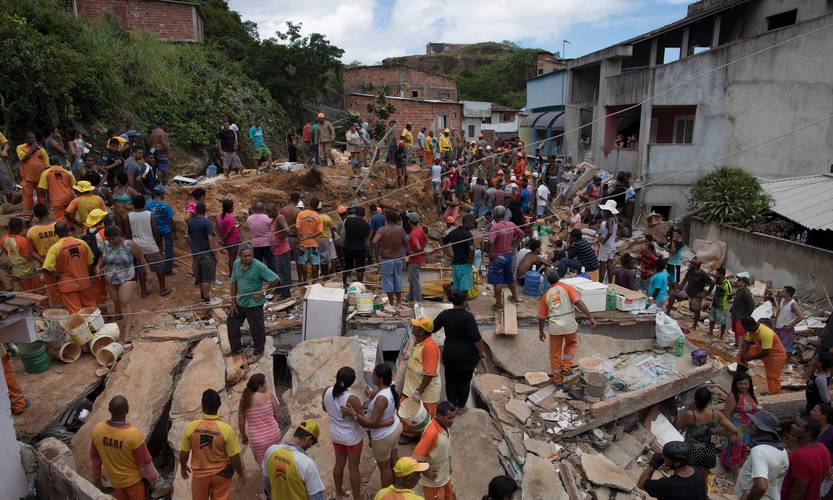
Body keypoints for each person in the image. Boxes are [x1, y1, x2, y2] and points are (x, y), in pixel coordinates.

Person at [90, 396, 161, 500]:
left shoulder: (98, 430)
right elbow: (145, 464)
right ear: (127, 410)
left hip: (116, 482)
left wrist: (97, 476)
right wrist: (155, 480)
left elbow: (94, 457)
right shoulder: (133, 435)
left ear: (109, 410)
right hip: (134, 483)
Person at [343, 364, 402, 488]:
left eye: (374, 375)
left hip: (384, 436)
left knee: (385, 468)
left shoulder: (381, 399)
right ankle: (398, 484)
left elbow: (371, 423)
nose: (372, 376)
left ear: (380, 379)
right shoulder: (391, 388)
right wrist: (371, 395)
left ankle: (387, 495)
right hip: (395, 428)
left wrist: (354, 415)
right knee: (394, 457)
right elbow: (382, 397)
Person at [179, 390, 245, 500]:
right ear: (219, 405)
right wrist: (241, 473)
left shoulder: (191, 427)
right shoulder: (226, 430)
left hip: (199, 476)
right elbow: (234, 457)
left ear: (202, 405)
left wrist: (183, 467)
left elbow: (183, 453)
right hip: (221, 475)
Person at [538, 268, 597, 385]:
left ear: (548, 281)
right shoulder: (568, 288)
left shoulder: (546, 295)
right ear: (559, 277)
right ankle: (566, 366)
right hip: (569, 325)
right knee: (571, 344)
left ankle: (558, 380)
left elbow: (541, 317)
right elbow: (579, 302)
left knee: (555, 354)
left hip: (555, 327)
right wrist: (590, 317)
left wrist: (541, 331)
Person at [433, 290, 486, 409]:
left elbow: (432, 328)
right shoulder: (468, 317)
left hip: (450, 354)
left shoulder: (445, 314)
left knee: (450, 381)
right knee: (464, 382)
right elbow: (476, 339)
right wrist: (481, 352)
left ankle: (452, 407)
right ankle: (461, 407)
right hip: (467, 356)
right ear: (465, 301)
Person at [229, 244, 279, 365]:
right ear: (240, 256)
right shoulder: (236, 264)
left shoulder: (259, 266)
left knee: (257, 328)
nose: (247, 258)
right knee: (231, 322)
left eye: (249, 255)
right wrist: (233, 302)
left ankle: (258, 352)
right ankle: (236, 349)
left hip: (254, 303)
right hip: (240, 301)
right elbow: (233, 283)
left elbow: (275, 279)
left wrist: (263, 292)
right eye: (244, 256)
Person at [675, 387, 739, 476]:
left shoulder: (690, 414)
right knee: (703, 478)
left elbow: (677, 427)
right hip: (708, 451)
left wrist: (690, 408)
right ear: (709, 400)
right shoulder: (716, 414)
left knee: (688, 477)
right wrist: (718, 432)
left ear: (695, 400)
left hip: (692, 451)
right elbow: (734, 430)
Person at [98, 226, 146, 344]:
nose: (111, 241)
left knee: (124, 301)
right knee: (116, 300)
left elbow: (140, 257)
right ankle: (124, 315)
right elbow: (102, 258)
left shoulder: (129, 244)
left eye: (113, 238)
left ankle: (127, 332)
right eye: (109, 239)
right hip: (111, 278)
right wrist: (98, 267)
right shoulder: (105, 245)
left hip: (127, 276)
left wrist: (148, 272)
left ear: (119, 235)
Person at [322, 367, 364, 500]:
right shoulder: (352, 399)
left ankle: (338, 493)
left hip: (337, 436)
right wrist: (354, 415)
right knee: (353, 469)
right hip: (352, 439)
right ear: (351, 383)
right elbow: (363, 420)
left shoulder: (327, 391)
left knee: (339, 464)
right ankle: (357, 497)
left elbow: (324, 407)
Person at [400, 316, 442, 441]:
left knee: (426, 416)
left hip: (425, 390)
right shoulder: (416, 340)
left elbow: (429, 374)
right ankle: (410, 435)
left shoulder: (429, 347)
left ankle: (427, 439)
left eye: (416, 326)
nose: (413, 327)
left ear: (422, 331)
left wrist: (419, 391)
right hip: (411, 386)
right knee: (406, 411)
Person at [262, 420, 324, 500]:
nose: (310, 446)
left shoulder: (271, 451)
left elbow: (266, 482)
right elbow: (317, 497)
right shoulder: (307, 464)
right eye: (312, 443)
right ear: (308, 439)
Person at [734, 409, 788, 500]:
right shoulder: (782, 451)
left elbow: (761, 486)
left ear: (756, 427)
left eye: (751, 422)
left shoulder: (759, 451)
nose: (747, 424)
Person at [42, 222, 96, 313]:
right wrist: (91, 276)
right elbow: (90, 263)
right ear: (69, 230)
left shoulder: (55, 248)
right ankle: (95, 326)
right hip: (85, 282)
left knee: (75, 312)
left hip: (68, 285)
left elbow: (46, 268)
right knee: (91, 310)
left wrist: (55, 276)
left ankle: (81, 327)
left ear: (56, 233)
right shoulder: (82, 243)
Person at [127, 195, 171, 297]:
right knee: (159, 266)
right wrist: (159, 245)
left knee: (141, 268)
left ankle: (144, 291)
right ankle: (162, 289)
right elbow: (155, 231)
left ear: (133, 204)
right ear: (145, 203)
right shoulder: (150, 215)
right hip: (150, 244)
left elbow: (128, 233)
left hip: (136, 245)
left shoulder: (128, 216)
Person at [413, 401, 456, 500]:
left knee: (449, 496)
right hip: (434, 481)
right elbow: (417, 456)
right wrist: (426, 472)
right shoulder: (431, 433)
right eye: (450, 418)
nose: (453, 421)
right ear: (440, 416)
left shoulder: (444, 426)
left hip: (444, 474)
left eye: (453, 417)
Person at [637, 441, 706, 500]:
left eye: (666, 458)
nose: (663, 458)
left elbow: (641, 484)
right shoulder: (697, 473)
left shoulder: (671, 485)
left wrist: (653, 464)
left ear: (677, 463)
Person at [238, 373, 281, 469]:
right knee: (277, 461)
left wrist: (244, 437)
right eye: (265, 382)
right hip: (274, 435)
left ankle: (268, 481)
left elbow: (241, 423)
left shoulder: (245, 400)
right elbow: (277, 414)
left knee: (264, 467)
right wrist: (275, 425)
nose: (267, 384)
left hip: (258, 441)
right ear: (260, 386)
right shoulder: (269, 396)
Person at [781, 418, 831, 500]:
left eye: (797, 426)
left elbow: (799, 489)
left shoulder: (800, 455)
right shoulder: (822, 448)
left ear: (808, 433)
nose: (792, 426)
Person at [487, 206, 524, 310]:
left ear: (494, 215)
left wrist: (491, 254)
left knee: (496, 280)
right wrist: (514, 244)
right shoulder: (511, 224)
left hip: (498, 256)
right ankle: (515, 297)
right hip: (508, 255)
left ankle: (498, 304)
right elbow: (521, 234)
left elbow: (490, 242)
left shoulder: (495, 227)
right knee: (509, 278)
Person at [740, 317, 788, 395]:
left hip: (776, 355)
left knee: (772, 376)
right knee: (741, 354)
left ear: (751, 326)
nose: (746, 331)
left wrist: (750, 358)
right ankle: (741, 375)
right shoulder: (750, 330)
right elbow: (747, 342)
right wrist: (743, 353)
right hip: (762, 348)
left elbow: (765, 352)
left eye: (747, 329)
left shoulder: (766, 332)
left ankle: (774, 394)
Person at [721, 372, 759, 471]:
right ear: (735, 384)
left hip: (748, 428)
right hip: (736, 427)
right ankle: (731, 469)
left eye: (746, 384)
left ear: (749, 384)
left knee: (743, 449)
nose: (743, 386)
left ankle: (738, 468)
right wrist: (732, 432)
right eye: (740, 384)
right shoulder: (733, 396)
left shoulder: (751, 394)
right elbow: (727, 414)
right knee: (734, 449)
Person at [27, 204, 61, 305]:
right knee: (67, 284)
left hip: (45, 262)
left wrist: (46, 263)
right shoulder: (58, 225)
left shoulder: (31, 231)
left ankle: (59, 311)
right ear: (48, 212)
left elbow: (31, 252)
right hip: (62, 259)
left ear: (36, 215)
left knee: (53, 288)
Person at [188, 202, 220, 303]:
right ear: (205, 211)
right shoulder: (207, 223)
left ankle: (202, 297)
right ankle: (206, 299)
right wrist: (215, 253)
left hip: (196, 253)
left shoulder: (191, 222)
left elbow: (188, 237)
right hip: (206, 254)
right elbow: (210, 239)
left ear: (196, 211)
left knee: (200, 277)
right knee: (207, 278)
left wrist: (193, 246)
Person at [373, 210, 406, 309]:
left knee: (388, 280)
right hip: (399, 257)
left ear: (386, 219)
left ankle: (391, 302)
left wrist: (378, 250)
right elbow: (405, 242)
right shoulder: (401, 230)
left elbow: (374, 241)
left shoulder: (382, 230)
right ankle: (399, 302)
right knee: (398, 278)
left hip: (387, 258)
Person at [666, 258, 712, 328]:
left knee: (695, 310)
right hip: (687, 291)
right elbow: (685, 279)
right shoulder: (690, 270)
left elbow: (712, 283)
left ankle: (694, 325)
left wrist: (707, 293)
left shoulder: (703, 274)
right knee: (673, 294)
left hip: (696, 294)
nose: (690, 265)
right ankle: (667, 312)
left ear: (696, 265)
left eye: (692, 264)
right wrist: (679, 288)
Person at [17, 132, 50, 219]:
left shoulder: (41, 150)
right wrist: (32, 149)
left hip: (40, 179)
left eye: (34, 138)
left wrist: (46, 179)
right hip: (27, 178)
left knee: (41, 198)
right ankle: (28, 217)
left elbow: (47, 165)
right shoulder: (20, 148)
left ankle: (43, 216)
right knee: (28, 199)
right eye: (31, 138)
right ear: (26, 139)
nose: (33, 140)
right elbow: (23, 159)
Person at [1, 218, 40, 292]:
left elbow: (7, 253)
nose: (23, 228)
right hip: (28, 271)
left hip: (16, 270)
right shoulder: (22, 241)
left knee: (24, 292)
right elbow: (29, 257)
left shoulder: (3, 239)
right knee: (37, 292)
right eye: (22, 226)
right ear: (18, 227)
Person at [145, 185, 175, 276]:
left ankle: (158, 267)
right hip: (166, 230)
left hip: (154, 230)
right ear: (162, 194)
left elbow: (147, 218)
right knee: (169, 249)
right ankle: (168, 270)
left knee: (157, 249)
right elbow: (170, 219)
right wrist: (173, 230)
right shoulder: (166, 206)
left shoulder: (148, 205)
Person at [36, 157, 76, 223]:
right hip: (69, 198)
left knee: (59, 218)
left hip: (56, 200)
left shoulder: (46, 173)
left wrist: (44, 198)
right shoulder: (67, 172)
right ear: (59, 163)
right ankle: (71, 228)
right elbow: (74, 186)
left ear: (49, 163)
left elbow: (42, 188)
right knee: (70, 215)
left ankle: (64, 230)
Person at [443, 214, 475, 293]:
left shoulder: (453, 232)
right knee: (464, 288)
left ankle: (458, 303)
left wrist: (448, 254)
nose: (473, 225)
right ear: (468, 222)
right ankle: (464, 303)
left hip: (455, 264)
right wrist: (471, 260)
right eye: (473, 223)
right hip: (465, 264)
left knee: (457, 287)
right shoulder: (468, 234)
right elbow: (472, 249)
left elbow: (442, 241)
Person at [342, 206, 371, 287]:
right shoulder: (366, 225)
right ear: (364, 214)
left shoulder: (348, 221)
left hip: (348, 247)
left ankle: (344, 283)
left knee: (347, 266)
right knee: (360, 268)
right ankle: (359, 285)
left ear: (355, 213)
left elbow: (345, 232)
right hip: (360, 248)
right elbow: (367, 238)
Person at [296, 198, 323, 282]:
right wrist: (309, 236)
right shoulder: (318, 216)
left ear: (309, 204)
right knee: (315, 263)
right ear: (317, 206)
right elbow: (320, 232)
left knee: (303, 263)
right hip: (314, 243)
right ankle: (314, 281)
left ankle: (305, 281)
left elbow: (298, 229)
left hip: (303, 243)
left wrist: (301, 240)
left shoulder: (301, 214)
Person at [270, 206, 293, 299]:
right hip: (278, 250)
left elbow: (287, 230)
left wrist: (279, 240)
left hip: (282, 250)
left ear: (275, 210)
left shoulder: (280, 218)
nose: (268, 214)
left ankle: (286, 293)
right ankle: (281, 289)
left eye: (269, 212)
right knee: (280, 272)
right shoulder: (274, 219)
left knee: (284, 273)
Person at [774, 285, 803, 354]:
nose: (781, 292)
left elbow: (801, 317)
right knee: (777, 345)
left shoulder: (793, 304)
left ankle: (786, 362)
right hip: (778, 327)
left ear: (788, 293)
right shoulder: (782, 300)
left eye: (783, 291)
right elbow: (779, 311)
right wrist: (774, 322)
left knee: (787, 348)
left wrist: (790, 325)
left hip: (786, 329)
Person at [247, 202, 275, 272]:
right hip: (267, 243)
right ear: (263, 209)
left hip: (255, 244)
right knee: (270, 262)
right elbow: (272, 230)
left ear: (254, 209)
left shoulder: (249, 219)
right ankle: (272, 279)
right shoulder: (268, 218)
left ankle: (259, 278)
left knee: (257, 263)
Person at [216, 199, 241, 276]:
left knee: (231, 258)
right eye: (232, 207)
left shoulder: (218, 217)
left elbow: (218, 229)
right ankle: (232, 275)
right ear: (230, 208)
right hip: (232, 240)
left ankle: (232, 274)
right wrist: (223, 239)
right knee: (232, 258)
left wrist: (221, 239)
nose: (233, 208)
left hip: (226, 241)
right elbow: (229, 230)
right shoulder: (230, 218)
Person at [406, 212, 426, 303]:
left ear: (409, 221)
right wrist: (422, 250)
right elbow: (426, 240)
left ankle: (418, 300)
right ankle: (410, 296)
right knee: (412, 279)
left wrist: (414, 252)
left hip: (415, 259)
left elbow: (417, 247)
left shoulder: (413, 233)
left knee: (415, 280)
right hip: (418, 258)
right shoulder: (420, 229)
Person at [597, 201, 619, 283]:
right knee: (610, 265)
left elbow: (610, 232)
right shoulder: (615, 219)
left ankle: (600, 283)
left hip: (606, 246)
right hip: (612, 245)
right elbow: (615, 231)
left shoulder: (609, 220)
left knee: (602, 266)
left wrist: (604, 241)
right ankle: (610, 282)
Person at [732, 276, 757, 346]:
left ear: (744, 283)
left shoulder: (746, 292)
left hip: (741, 316)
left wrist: (746, 316)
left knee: (740, 332)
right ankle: (736, 344)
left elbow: (751, 304)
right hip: (735, 314)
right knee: (735, 331)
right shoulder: (738, 290)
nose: (738, 281)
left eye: (740, 280)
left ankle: (740, 347)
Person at [709, 267, 733, 339]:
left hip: (722, 306)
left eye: (717, 273)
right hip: (714, 304)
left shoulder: (727, 284)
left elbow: (730, 295)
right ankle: (710, 332)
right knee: (712, 319)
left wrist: (726, 301)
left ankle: (721, 336)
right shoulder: (717, 281)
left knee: (722, 322)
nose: (715, 274)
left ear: (721, 275)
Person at [315, 200, 337, 277]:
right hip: (324, 238)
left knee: (316, 257)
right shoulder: (326, 217)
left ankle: (317, 275)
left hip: (314, 239)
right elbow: (333, 227)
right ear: (321, 208)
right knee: (325, 257)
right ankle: (325, 275)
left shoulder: (313, 217)